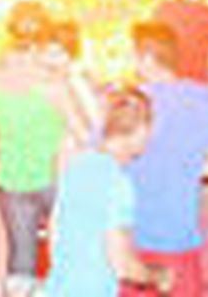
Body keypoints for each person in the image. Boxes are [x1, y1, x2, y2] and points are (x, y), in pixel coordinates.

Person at [0, 2, 89, 296]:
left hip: (12, 178)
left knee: (21, 262)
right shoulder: (50, 84)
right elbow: (83, 134)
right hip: (51, 178)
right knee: (66, 257)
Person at [123, 21, 208, 296]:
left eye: (132, 55)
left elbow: (100, 159)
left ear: (147, 59)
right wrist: (181, 167)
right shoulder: (205, 98)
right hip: (179, 234)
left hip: (131, 235)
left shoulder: (128, 104)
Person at [47, 87, 171, 297]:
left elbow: (54, 231)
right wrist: (158, 277)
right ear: (140, 129)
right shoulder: (117, 184)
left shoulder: (76, 165)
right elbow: (121, 263)